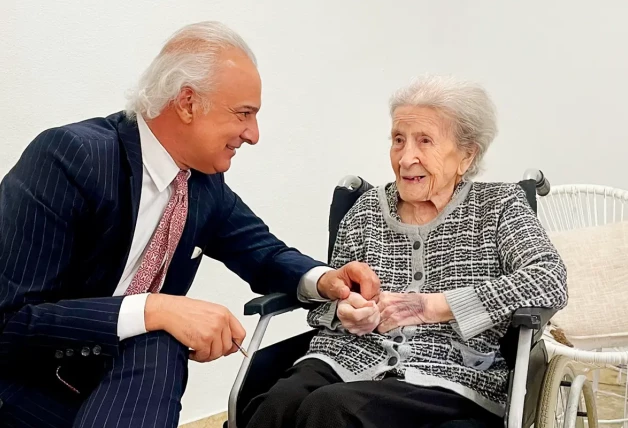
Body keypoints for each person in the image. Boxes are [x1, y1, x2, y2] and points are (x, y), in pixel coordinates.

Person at [0, 21, 380, 428]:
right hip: (32, 385)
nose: (253, 134)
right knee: (162, 332)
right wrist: (155, 308)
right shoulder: (73, 157)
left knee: (161, 342)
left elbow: (263, 253)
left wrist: (325, 281)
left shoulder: (202, 185)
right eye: (244, 114)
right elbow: (10, 321)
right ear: (187, 102)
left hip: (120, 386)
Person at [242, 75, 568, 428]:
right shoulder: (366, 209)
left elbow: (549, 278)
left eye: (424, 141)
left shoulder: (499, 206)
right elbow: (330, 299)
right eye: (399, 140)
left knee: (332, 408)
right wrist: (345, 311)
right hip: (344, 355)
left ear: (466, 154)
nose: (406, 157)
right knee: (273, 408)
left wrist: (434, 307)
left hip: (450, 372)